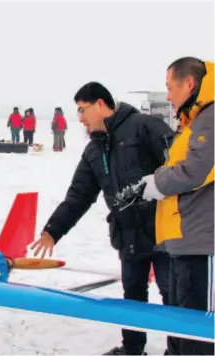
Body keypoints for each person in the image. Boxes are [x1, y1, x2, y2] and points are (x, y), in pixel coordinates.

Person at [31, 82, 175, 355]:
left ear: (100, 104)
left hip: (163, 231)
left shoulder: (144, 127)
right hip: (127, 233)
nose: (80, 118)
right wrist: (53, 230)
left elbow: (180, 166)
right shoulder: (94, 150)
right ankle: (132, 349)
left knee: (172, 294)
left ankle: (179, 349)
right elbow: (78, 197)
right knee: (133, 295)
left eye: (82, 110)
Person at [141, 58, 214, 355]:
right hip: (184, 242)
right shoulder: (194, 121)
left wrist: (156, 183)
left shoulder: (211, 118)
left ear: (190, 84)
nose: (168, 96)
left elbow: (193, 171)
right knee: (180, 326)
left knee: (198, 332)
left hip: (203, 242)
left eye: (170, 88)